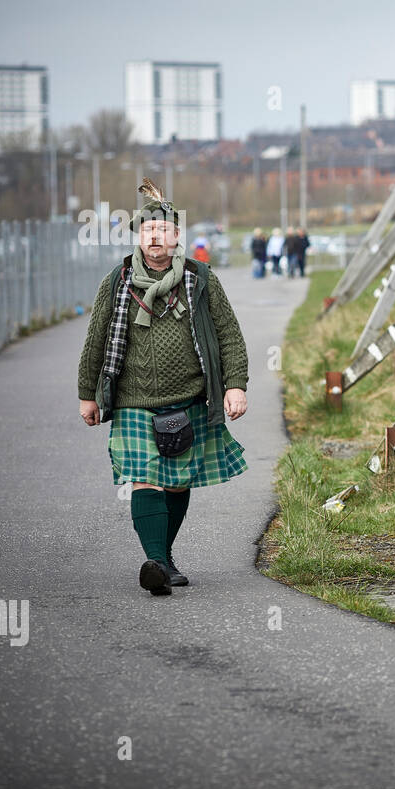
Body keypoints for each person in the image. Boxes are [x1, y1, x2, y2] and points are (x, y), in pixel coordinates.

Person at [77, 178, 250, 596]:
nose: (155, 239)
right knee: (144, 477)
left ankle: (163, 559)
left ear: (176, 238)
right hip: (133, 401)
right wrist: (87, 393)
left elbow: (229, 335)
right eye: (148, 232)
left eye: (164, 232)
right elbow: (96, 338)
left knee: (176, 482)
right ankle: (155, 561)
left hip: (189, 398)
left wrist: (235, 385)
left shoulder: (199, 279)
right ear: (140, 236)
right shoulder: (117, 282)